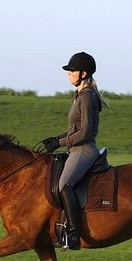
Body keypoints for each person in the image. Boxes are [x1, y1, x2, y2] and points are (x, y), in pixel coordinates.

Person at [40, 52, 109, 250]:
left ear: (84, 73)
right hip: (75, 148)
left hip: (84, 150)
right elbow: (74, 129)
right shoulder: (80, 95)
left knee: (64, 184)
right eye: (69, 71)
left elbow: (85, 132)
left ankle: (73, 234)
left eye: (72, 71)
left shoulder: (87, 97)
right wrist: (56, 139)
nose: (69, 74)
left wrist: (60, 142)